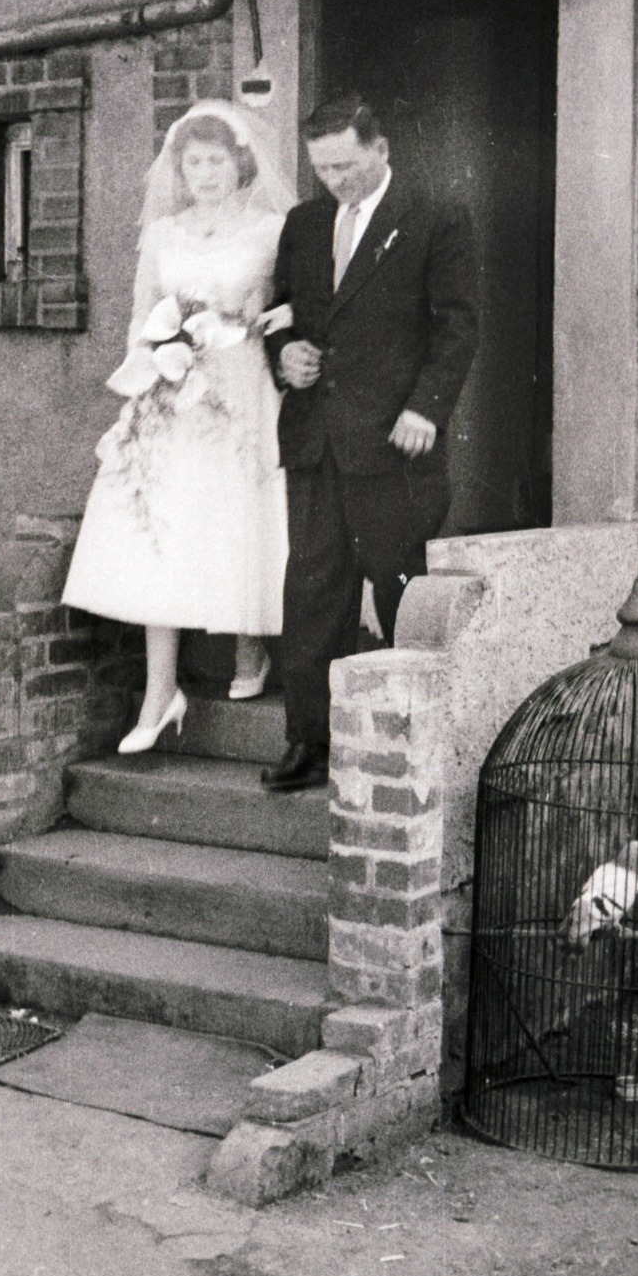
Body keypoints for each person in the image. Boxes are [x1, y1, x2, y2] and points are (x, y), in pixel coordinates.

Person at [261, 93, 479, 792]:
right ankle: (308, 741)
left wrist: (428, 407)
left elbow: (457, 325)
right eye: (322, 168)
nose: (335, 181)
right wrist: (283, 355)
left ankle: (406, 748)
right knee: (313, 590)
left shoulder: (433, 216)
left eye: (346, 165)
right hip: (317, 440)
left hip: (394, 442)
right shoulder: (303, 223)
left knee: (397, 588)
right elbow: (282, 312)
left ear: (379, 150)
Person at [62, 101, 295, 752]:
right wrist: (156, 365)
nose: (206, 172)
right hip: (173, 395)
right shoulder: (164, 234)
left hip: (242, 390)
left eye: (217, 159)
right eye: (193, 161)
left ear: (239, 161)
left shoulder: (269, 229)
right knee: (160, 530)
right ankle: (161, 692)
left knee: (237, 514)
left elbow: (297, 300)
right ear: (179, 168)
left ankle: (252, 650)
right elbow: (141, 319)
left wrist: (259, 315)